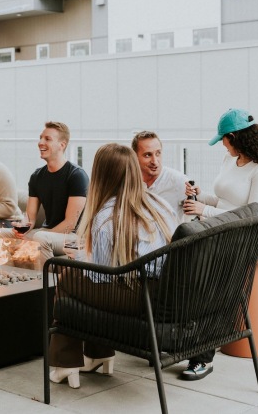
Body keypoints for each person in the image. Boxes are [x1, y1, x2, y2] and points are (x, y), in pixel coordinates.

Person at [48, 143, 178, 389]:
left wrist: (80, 263)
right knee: (76, 274)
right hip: (163, 290)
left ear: (101, 175)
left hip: (140, 297)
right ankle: (99, 355)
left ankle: (66, 364)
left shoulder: (106, 216)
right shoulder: (159, 204)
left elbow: (101, 278)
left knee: (66, 278)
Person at [181, 108, 258, 381]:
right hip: (217, 231)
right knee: (191, 276)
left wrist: (203, 210)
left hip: (246, 237)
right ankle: (187, 339)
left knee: (211, 285)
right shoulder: (231, 160)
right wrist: (199, 196)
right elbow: (223, 201)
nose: (222, 146)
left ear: (233, 137)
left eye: (223, 141)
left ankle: (202, 356)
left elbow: (252, 215)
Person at [3, 122, 89, 259]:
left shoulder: (76, 175)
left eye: (47, 139)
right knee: (1, 235)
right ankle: (12, 277)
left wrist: (37, 237)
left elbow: (70, 224)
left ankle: (47, 280)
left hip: (74, 237)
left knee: (39, 238)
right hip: (46, 233)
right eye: (41, 138)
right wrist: (22, 226)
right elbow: (30, 217)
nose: (40, 142)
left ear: (62, 145)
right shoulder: (37, 176)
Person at [132, 130, 188, 217]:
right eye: (148, 155)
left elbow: (201, 211)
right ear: (135, 157)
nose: (155, 161)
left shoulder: (178, 180)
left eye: (158, 153)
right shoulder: (128, 182)